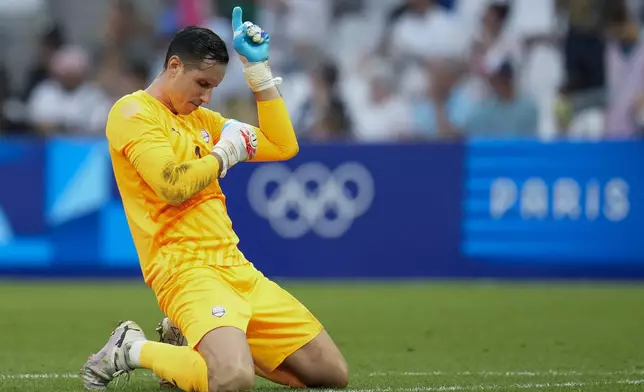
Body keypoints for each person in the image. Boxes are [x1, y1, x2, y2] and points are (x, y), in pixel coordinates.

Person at [81, 7, 349, 392]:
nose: (206, 97)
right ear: (174, 65)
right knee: (233, 380)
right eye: (201, 83)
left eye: (213, 88)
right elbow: (171, 184)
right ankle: (132, 348)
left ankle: (193, 340)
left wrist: (257, 73)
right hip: (184, 269)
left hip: (236, 267)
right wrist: (224, 154)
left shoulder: (203, 120)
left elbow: (283, 145)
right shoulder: (133, 113)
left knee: (331, 375)